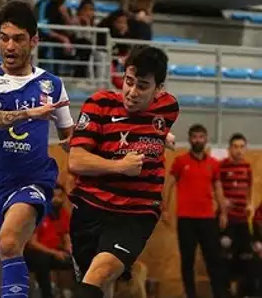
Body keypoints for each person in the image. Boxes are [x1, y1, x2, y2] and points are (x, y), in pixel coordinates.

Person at [0, 0, 75, 297]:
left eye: (18, 38)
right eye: (4, 37)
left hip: (32, 181)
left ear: (34, 41)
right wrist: (28, 113)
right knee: (3, 284)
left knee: (10, 242)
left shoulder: (51, 84)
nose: (9, 46)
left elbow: (70, 141)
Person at [67, 45, 180, 298]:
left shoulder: (169, 108)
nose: (131, 92)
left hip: (136, 212)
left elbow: (154, 127)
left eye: (142, 86)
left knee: (100, 273)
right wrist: (120, 166)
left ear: (159, 89)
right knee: (95, 284)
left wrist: (164, 136)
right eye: (128, 82)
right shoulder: (99, 105)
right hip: (90, 208)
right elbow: (76, 161)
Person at [162, 124, 229, 298]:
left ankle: (219, 294)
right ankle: (190, 295)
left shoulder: (214, 164)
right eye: (194, 137)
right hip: (186, 219)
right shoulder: (180, 161)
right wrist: (165, 209)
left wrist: (223, 212)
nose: (198, 140)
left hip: (208, 219)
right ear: (190, 139)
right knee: (187, 261)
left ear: (206, 139)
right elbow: (168, 184)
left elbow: (218, 188)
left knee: (213, 259)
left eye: (201, 136)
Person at [218, 133, 255, 296]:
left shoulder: (247, 167)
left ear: (245, 149)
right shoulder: (222, 167)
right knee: (226, 257)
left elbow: (249, 189)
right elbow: (215, 189)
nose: (239, 150)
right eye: (235, 147)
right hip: (227, 220)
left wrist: (249, 204)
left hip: (242, 220)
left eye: (242, 147)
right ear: (229, 149)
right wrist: (223, 207)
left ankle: (243, 292)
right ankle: (226, 291)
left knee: (246, 256)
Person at [24, 184, 73, 298]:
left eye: (61, 197)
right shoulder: (39, 213)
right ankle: (46, 294)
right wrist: (55, 253)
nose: (58, 200)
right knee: (42, 260)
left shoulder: (63, 213)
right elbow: (32, 243)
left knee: (76, 259)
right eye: (55, 197)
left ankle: (70, 292)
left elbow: (66, 236)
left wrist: (70, 250)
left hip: (54, 252)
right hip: (35, 252)